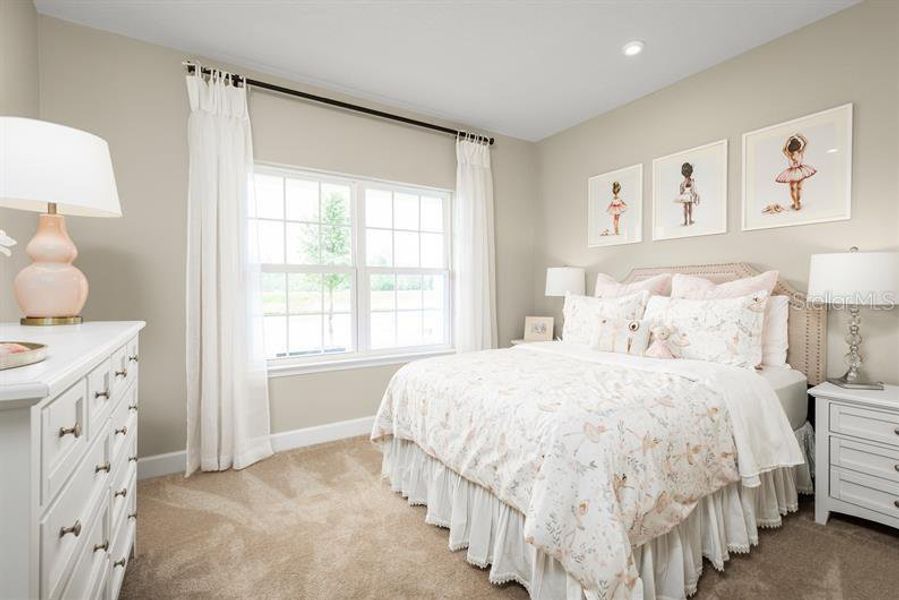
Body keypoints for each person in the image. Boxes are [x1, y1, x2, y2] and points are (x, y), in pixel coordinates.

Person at [775, 133, 816, 210]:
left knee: (796, 188)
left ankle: (796, 202)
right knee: (797, 188)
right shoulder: (795, 153)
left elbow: (784, 149)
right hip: (799, 171)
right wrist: (794, 138)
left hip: (796, 171)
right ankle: (796, 202)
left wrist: (790, 139)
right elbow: (805, 142)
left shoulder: (792, 154)